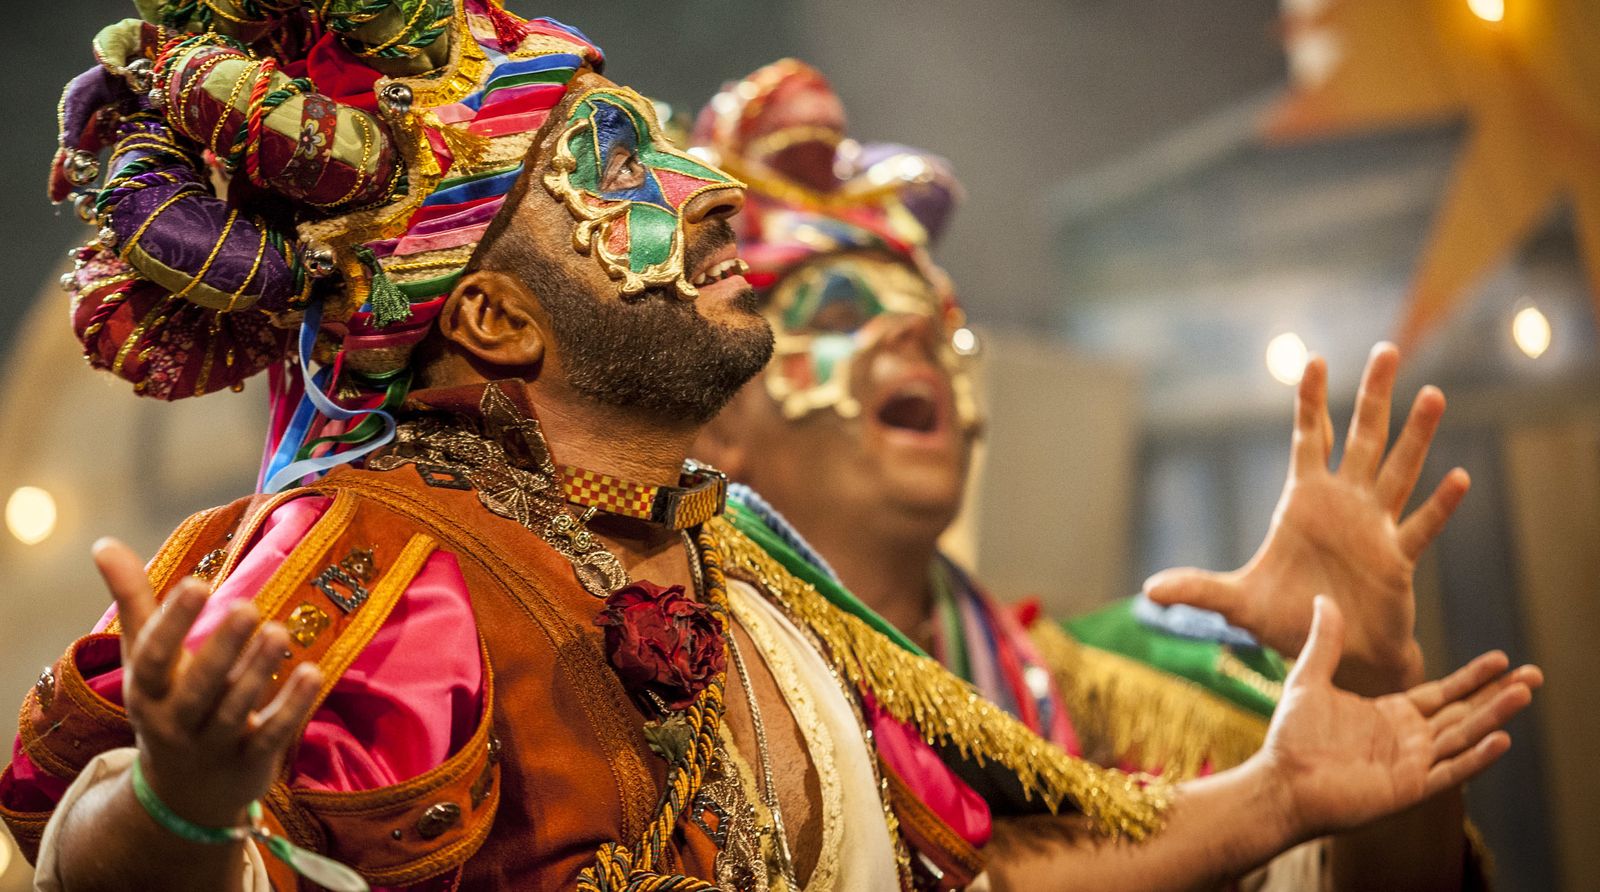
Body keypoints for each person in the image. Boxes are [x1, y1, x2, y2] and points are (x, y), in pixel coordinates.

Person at [0, 7, 1536, 891]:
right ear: (489, 318)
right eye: (617, 158)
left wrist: (1278, 792)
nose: (706, 184)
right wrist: (183, 800)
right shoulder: (376, 559)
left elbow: (978, 873)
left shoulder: (748, 558)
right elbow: (104, 858)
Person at [689, 59, 1509, 888]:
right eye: (839, 314)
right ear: (721, 426)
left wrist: (1368, 681)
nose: (910, 340)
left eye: (931, 323)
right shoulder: (688, 690)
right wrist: (1267, 800)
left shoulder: (1133, 686)